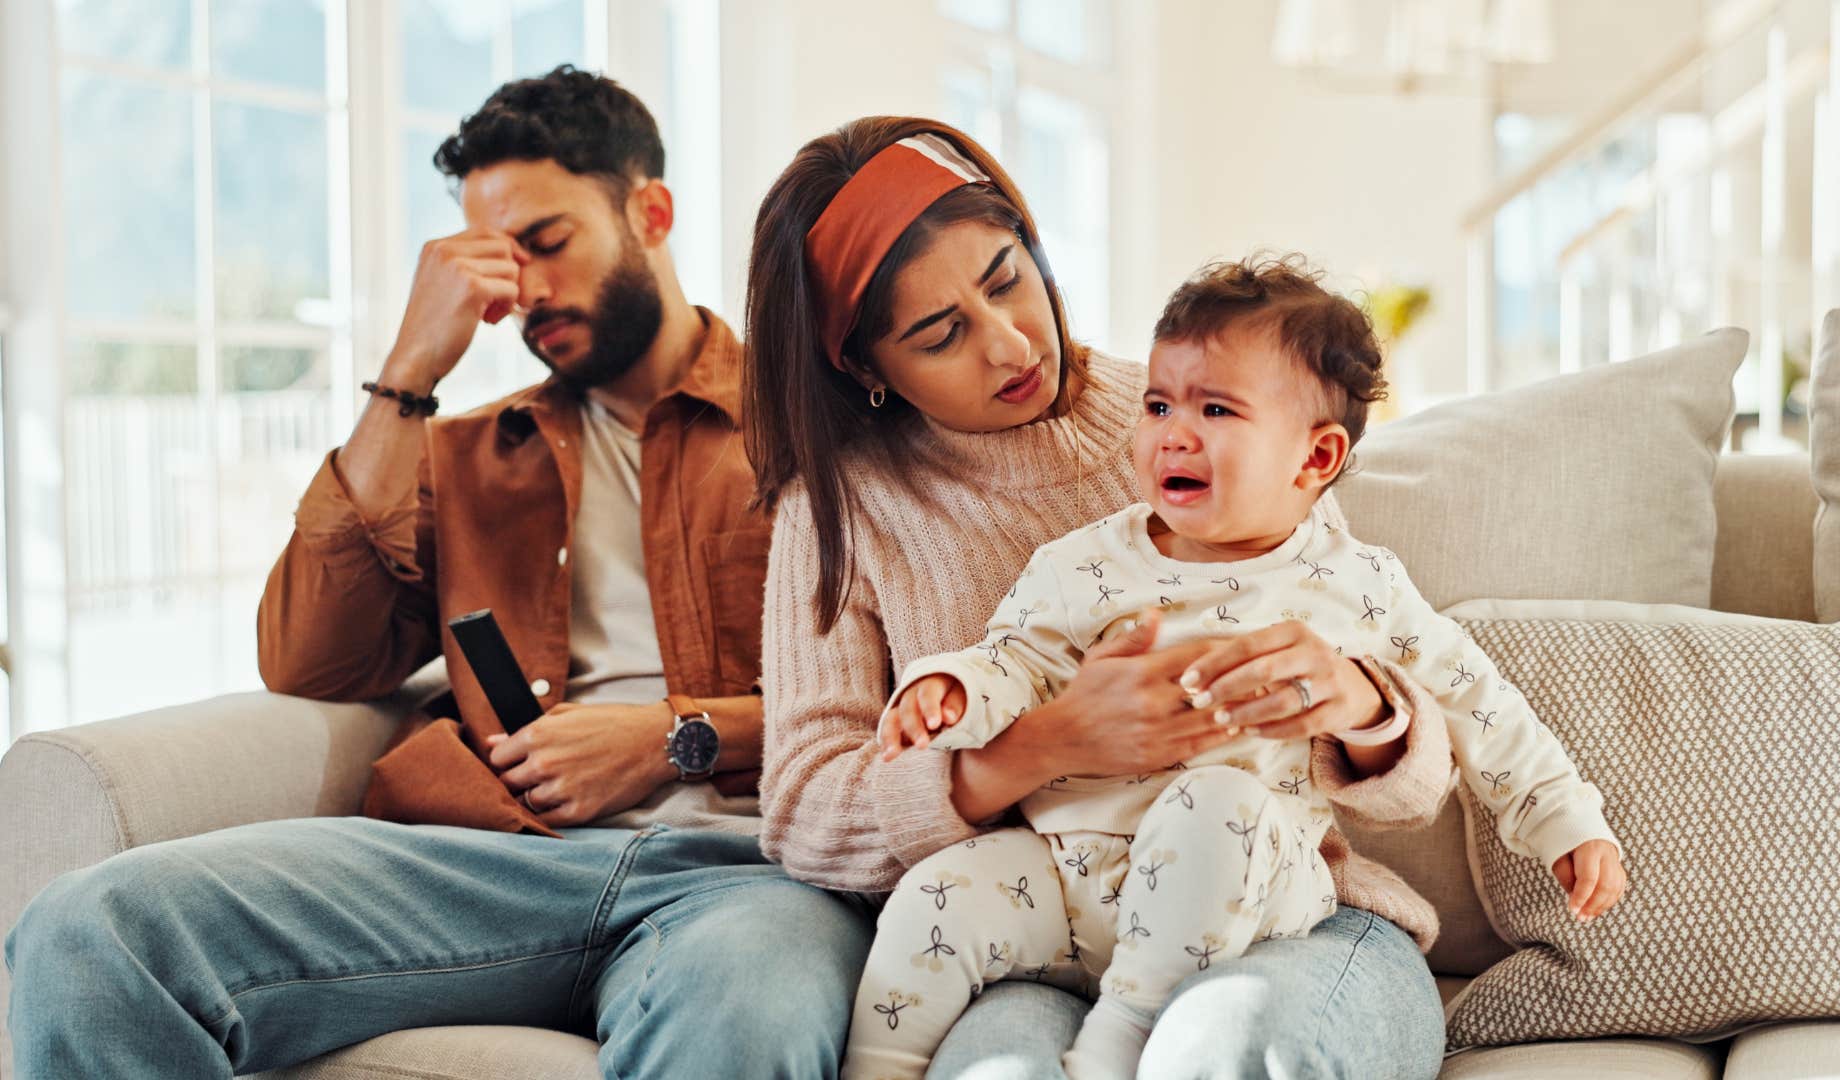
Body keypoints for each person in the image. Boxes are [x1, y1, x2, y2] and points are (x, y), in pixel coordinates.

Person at [5, 66, 871, 1080]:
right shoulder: (466, 456)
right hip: (492, 856)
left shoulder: (824, 427)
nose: (529, 293)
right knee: (89, 928)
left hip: (752, 869)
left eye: (549, 243)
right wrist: (410, 368)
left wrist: (675, 738)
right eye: (500, 263)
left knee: (742, 1026)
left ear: (651, 211)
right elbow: (311, 661)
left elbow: (922, 689)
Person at [743, 116, 1451, 1079]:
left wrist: (1364, 711)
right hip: (1042, 937)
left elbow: (1422, 752)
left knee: (1227, 1052)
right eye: (941, 334)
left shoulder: (1206, 413)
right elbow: (801, 809)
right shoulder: (842, 513)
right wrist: (1042, 747)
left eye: (1005, 279)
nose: (1009, 345)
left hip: (1292, 920)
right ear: (867, 370)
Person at [842, 254, 1628, 1079]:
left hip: (1252, 881)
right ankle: (878, 1065)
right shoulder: (1082, 564)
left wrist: (1564, 819)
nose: (1172, 433)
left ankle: (1122, 1036)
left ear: (1315, 460)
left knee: (1215, 800)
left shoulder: (1356, 586)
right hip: (1072, 875)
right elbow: (1015, 661)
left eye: (1215, 408)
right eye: (1158, 404)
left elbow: (1479, 703)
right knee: (936, 894)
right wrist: (953, 689)